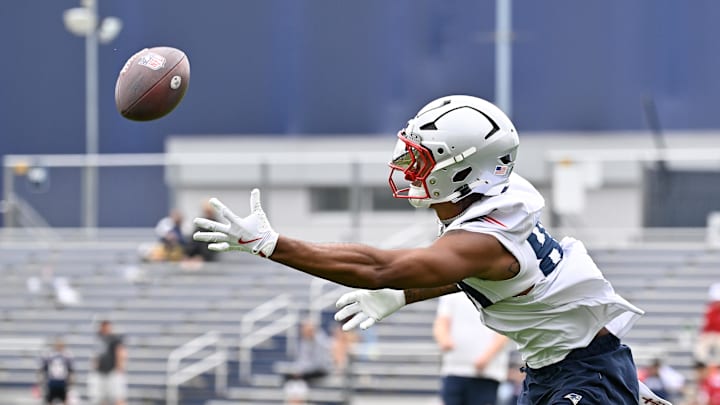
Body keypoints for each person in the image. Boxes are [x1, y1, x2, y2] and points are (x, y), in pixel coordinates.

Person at [192, 95, 670, 405]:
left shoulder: (483, 237)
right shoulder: (498, 203)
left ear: (463, 169)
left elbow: (382, 266)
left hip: (583, 374)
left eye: (420, 157)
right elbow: (500, 277)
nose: (405, 165)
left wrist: (272, 245)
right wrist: (407, 296)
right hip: (560, 370)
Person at [433, 292, 510, 405]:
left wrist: (486, 358)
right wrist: (444, 340)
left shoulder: (499, 289)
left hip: (487, 374)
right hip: (454, 369)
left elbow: (505, 330)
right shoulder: (452, 290)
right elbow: (441, 321)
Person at [279, 319, 334, 404]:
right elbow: (302, 360)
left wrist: (302, 371)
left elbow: (319, 363)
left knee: (300, 377)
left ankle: (300, 400)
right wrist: (297, 369)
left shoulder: (320, 342)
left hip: (320, 370)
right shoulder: (305, 341)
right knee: (288, 377)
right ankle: (293, 400)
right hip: (308, 370)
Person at [88, 320, 127, 405]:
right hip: (101, 372)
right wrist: (95, 365)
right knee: (101, 399)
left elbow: (120, 351)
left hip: (112, 372)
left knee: (117, 397)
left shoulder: (114, 338)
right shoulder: (99, 338)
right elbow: (96, 354)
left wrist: (120, 367)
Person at [37, 337, 74, 405]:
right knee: (49, 400)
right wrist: (40, 379)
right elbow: (42, 368)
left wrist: (71, 380)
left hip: (63, 382)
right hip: (51, 382)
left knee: (65, 400)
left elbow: (71, 370)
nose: (59, 346)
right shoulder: (49, 355)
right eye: (58, 344)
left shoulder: (67, 355)